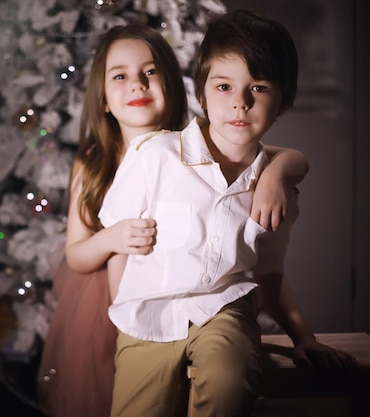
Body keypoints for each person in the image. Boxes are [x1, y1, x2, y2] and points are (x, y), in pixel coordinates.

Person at [37, 22, 311, 417]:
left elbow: (277, 160)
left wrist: (278, 172)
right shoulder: (104, 162)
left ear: (176, 86)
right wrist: (113, 237)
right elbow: (78, 255)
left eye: (150, 73)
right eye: (120, 76)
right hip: (124, 302)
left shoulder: (212, 144)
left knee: (213, 379)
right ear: (102, 99)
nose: (137, 85)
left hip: (208, 304)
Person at [98, 10, 356, 417]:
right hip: (147, 312)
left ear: (283, 99)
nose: (239, 101)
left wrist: (303, 337)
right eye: (223, 86)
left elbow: (269, 274)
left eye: (258, 87)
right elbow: (120, 245)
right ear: (202, 93)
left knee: (229, 383)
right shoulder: (155, 156)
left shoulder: (277, 189)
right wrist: (123, 310)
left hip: (224, 309)